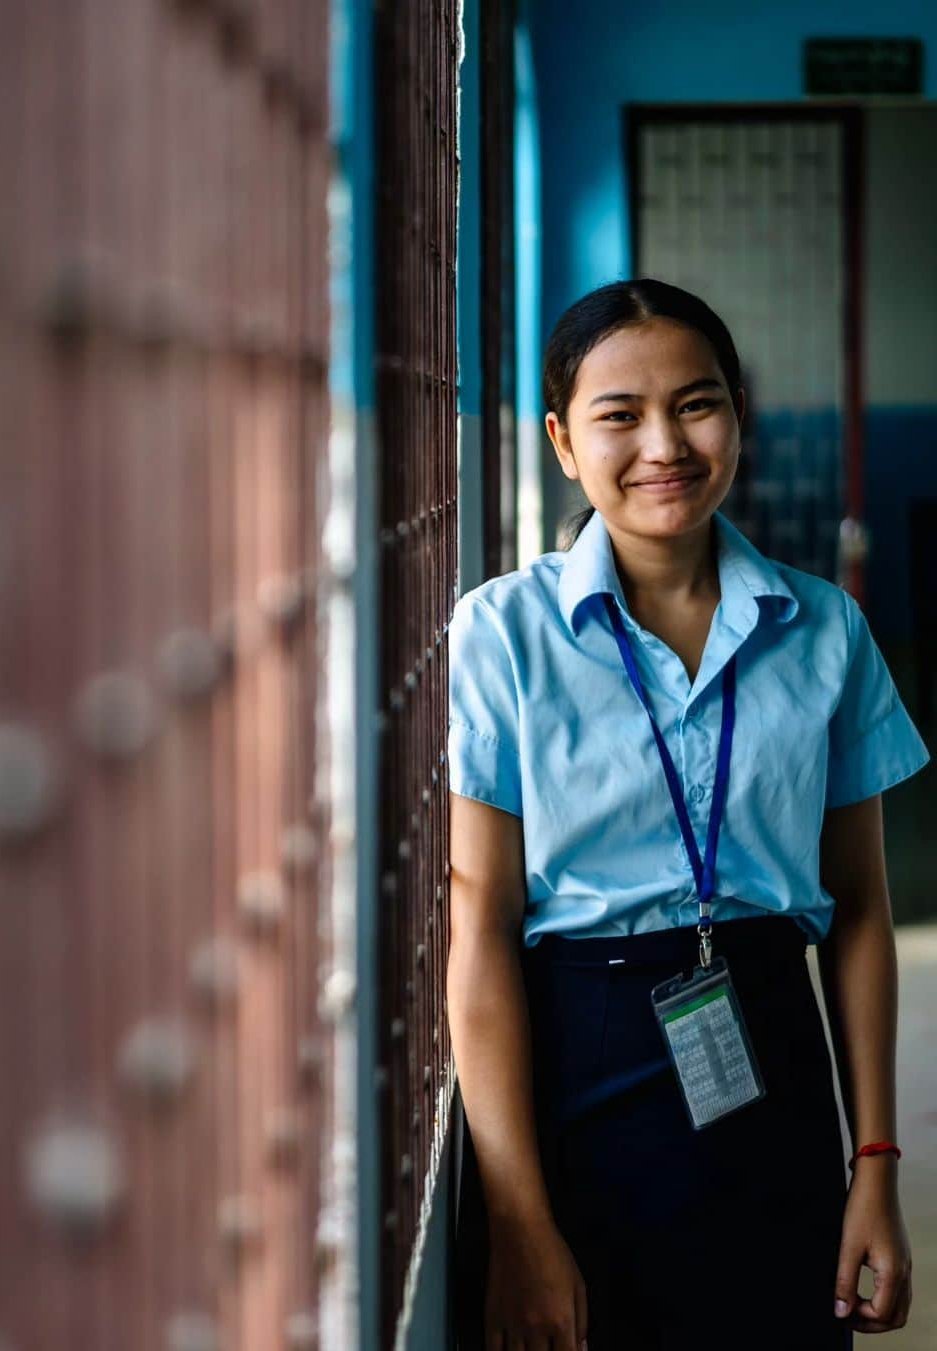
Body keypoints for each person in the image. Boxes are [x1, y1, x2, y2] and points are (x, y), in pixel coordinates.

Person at [446, 278, 931, 1351]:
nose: (664, 443)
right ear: (564, 443)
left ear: (738, 417)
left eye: (697, 403)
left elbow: (859, 913)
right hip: (575, 1075)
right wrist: (523, 1224)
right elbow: (476, 928)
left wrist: (876, 1170)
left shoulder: (826, 631)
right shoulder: (500, 635)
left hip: (773, 1071)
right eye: (619, 415)